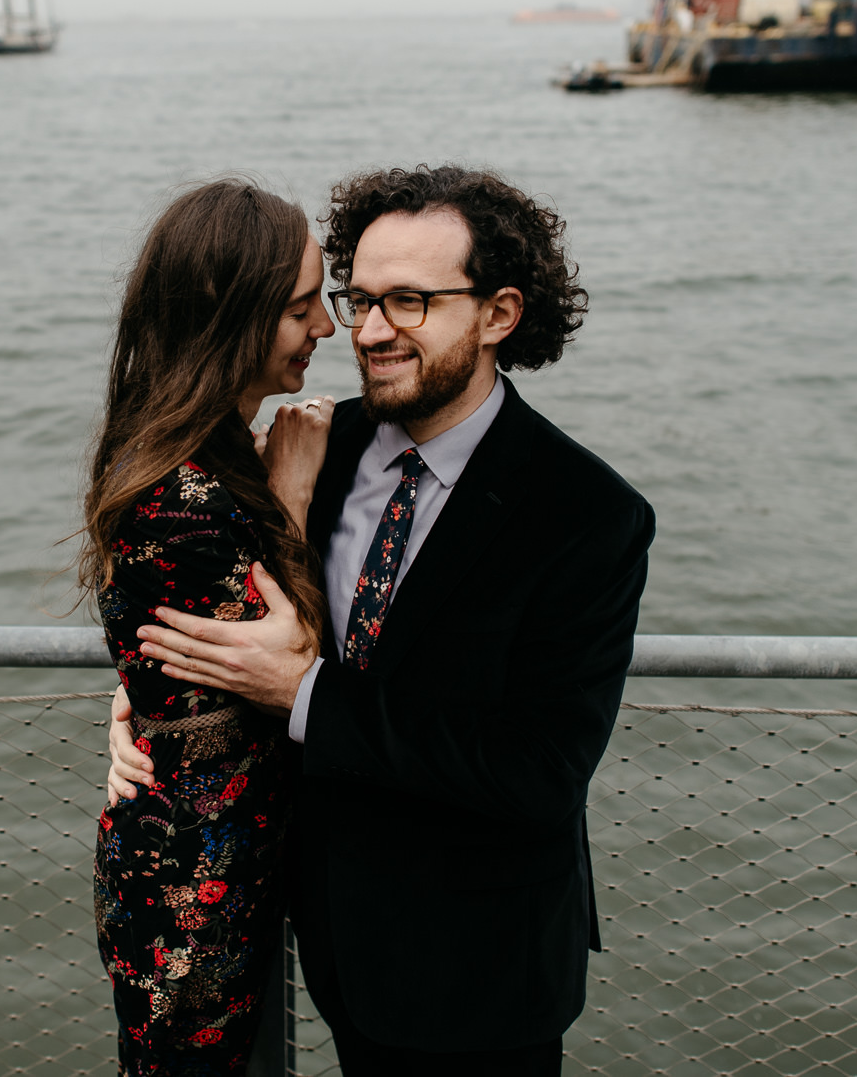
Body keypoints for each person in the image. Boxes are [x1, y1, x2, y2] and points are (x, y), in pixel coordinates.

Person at [110, 164, 655, 1076]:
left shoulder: (588, 516)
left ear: (499, 314)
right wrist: (141, 709)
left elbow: (537, 773)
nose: (365, 331)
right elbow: (188, 591)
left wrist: (303, 694)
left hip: (478, 970)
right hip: (312, 926)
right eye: (355, 298)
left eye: (408, 301)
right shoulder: (307, 446)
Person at [81, 178, 340, 1076]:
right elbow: (293, 656)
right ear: (227, 313)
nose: (329, 330)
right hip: (192, 890)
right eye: (304, 309)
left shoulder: (196, 450)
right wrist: (295, 494)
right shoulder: (181, 496)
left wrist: (140, 705)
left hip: (208, 862)